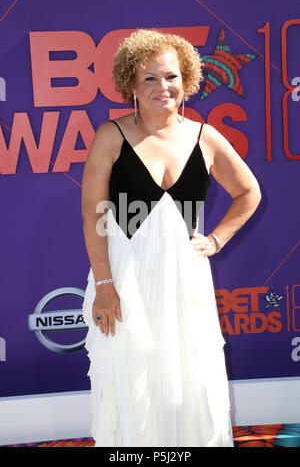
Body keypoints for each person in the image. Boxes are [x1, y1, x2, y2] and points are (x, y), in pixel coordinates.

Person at [81, 29, 261, 447]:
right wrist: (104, 285)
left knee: (189, 379)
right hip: (125, 276)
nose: (163, 87)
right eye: (150, 78)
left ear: (187, 81)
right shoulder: (111, 135)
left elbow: (248, 192)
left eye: (171, 77)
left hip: (184, 277)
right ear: (131, 85)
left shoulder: (206, 136)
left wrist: (215, 240)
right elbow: (94, 217)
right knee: (132, 379)